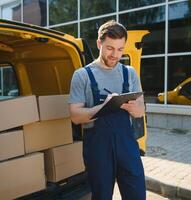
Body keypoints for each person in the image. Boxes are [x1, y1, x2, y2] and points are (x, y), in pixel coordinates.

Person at [68, 20, 146, 200]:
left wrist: (135, 108)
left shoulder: (129, 73)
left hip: (127, 145)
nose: (115, 55)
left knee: (137, 194)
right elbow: (75, 116)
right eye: (110, 48)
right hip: (98, 147)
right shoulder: (82, 76)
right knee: (102, 196)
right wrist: (102, 108)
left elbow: (141, 110)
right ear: (99, 44)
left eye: (120, 49)